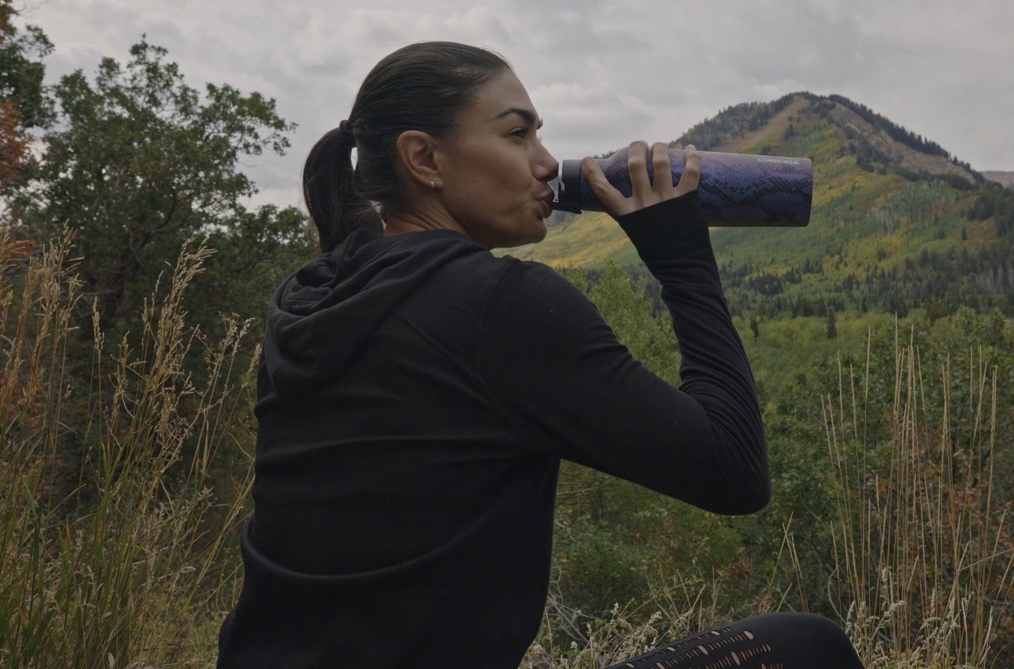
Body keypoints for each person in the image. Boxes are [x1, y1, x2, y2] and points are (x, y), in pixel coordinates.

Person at [217, 41, 863, 669]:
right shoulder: (498, 305)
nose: (548, 162)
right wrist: (684, 262)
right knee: (809, 649)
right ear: (424, 159)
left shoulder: (315, 296)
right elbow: (735, 472)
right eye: (518, 134)